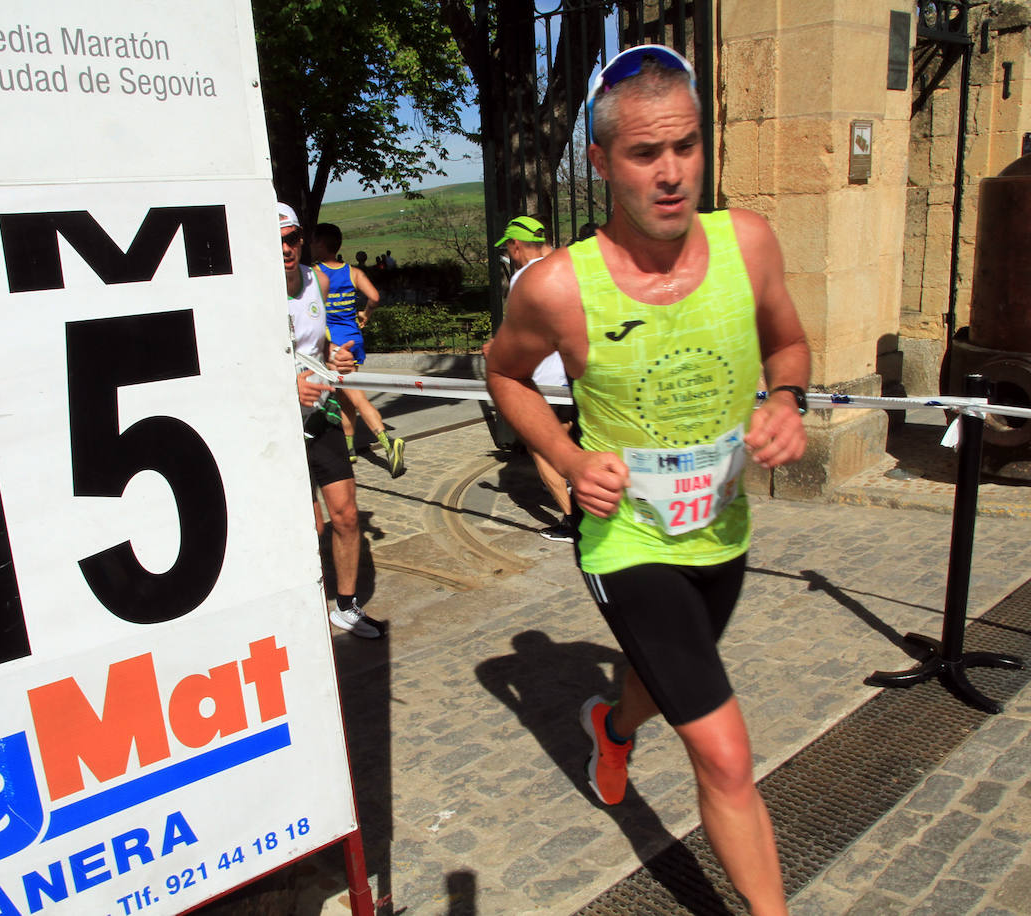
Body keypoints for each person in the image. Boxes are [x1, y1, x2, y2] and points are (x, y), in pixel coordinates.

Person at [484, 46, 809, 915]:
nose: (672, 174)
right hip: (627, 538)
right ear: (599, 161)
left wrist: (787, 399)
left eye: (687, 147)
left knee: (666, 683)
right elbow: (504, 373)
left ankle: (612, 723)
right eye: (643, 153)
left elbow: (789, 343)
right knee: (727, 753)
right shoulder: (558, 288)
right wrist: (568, 457)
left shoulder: (749, 243)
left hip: (723, 532)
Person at [280, 203, 382, 639]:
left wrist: (335, 357)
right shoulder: (247, 288)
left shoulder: (317, 280)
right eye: (278, 239)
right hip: (278, 424)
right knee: (310, 525)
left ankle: (346, 607)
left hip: (321, 416)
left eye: (293, 238)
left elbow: (320, 345)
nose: (286, 247)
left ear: (303, 240)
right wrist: (285, 388)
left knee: (345, 515)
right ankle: (298, 612)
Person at [491, 215, 574, 542]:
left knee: (542, 451)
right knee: (567, 443)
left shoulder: (524, 279)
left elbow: (520, 336)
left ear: (514, 245)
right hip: (570, 377)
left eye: (509, 247)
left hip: (542, 378)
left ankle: (572, 522)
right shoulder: (565, 268)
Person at [312, 222, 406, 477]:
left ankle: (388, 442)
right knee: (345, 398)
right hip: (354, 337)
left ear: (321, 244)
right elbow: (374, 297)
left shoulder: (314, 273)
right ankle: (349, 450)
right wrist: (366, 314)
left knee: (356, 397)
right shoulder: (353, 272)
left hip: (334, 343)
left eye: (313, 241)